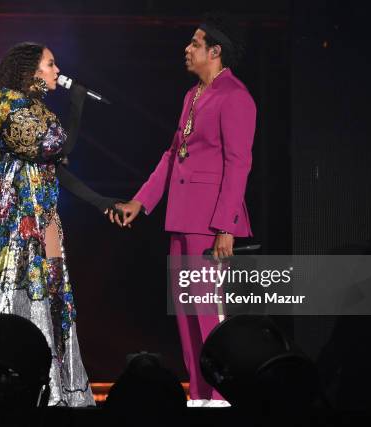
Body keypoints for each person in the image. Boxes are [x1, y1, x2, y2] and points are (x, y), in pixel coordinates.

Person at [0, 42, 118, 407]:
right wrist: (77, 103)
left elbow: (55, 168)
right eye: (50, 64)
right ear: (31, 69)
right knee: (12, 294)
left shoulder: (36, 108)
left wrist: (101, 203)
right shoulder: (4, 102)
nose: (56, 70)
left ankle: (56, 390)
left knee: (53, 294)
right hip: (17, 221)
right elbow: (56, 147)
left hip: (44, 218)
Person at [112, 13, 256, 407]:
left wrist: (225, 227)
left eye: (195, 44)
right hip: (181, 216)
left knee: (210, 314)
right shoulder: (192, 96)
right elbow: (174, 154)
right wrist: (140, 202)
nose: (187, 49)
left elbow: (238, 163)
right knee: (187, 311)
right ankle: (199, 395)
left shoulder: (236, 96)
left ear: (215, 51)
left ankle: (223, 396)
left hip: (210, 223)